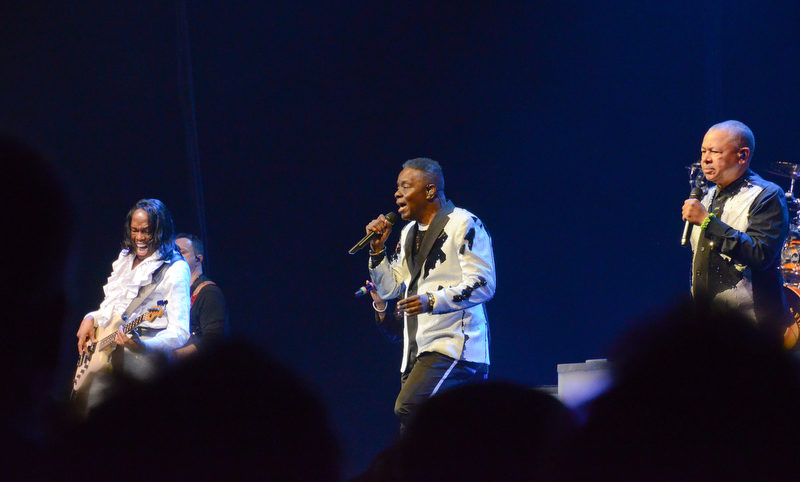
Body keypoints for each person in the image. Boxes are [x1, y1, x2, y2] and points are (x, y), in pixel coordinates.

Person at [365, 157, 496, 430]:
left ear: (430, 191)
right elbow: (390, 289)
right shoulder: (408, 233)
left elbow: (484, 283)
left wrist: (432, 300)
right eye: (397, 187)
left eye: (405, 186)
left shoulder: (464, 223)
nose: (397, 193)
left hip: (455, 348)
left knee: (409, 407)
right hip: (417, 349)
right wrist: (377, 250)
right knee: (412, 436)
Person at [682, 120, 791, 338]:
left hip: (754, 331)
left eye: (715, 152)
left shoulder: (767, 195)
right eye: (703, 151)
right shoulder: (707, 196)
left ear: (742, 155)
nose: (705, 159)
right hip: (709, 328)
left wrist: (707, 222)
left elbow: (760, 254)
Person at [75, 199, 190, 404]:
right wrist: (90, 317)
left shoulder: (175, 269)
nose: (139, 238)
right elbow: (113, 308)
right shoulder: (126, 259)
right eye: (134, 231)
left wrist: (144, 346)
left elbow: (180, 332)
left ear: (161, 230)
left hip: (141, 366)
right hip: (104, 357)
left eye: (146, 231)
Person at [173, 233, 229, 361]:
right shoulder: (177, 294)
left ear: (198, 259)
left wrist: (174, 356)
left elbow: (214, 341)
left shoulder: (209, 292)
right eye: (172, 253)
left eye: (181, 252)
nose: (174, 257)